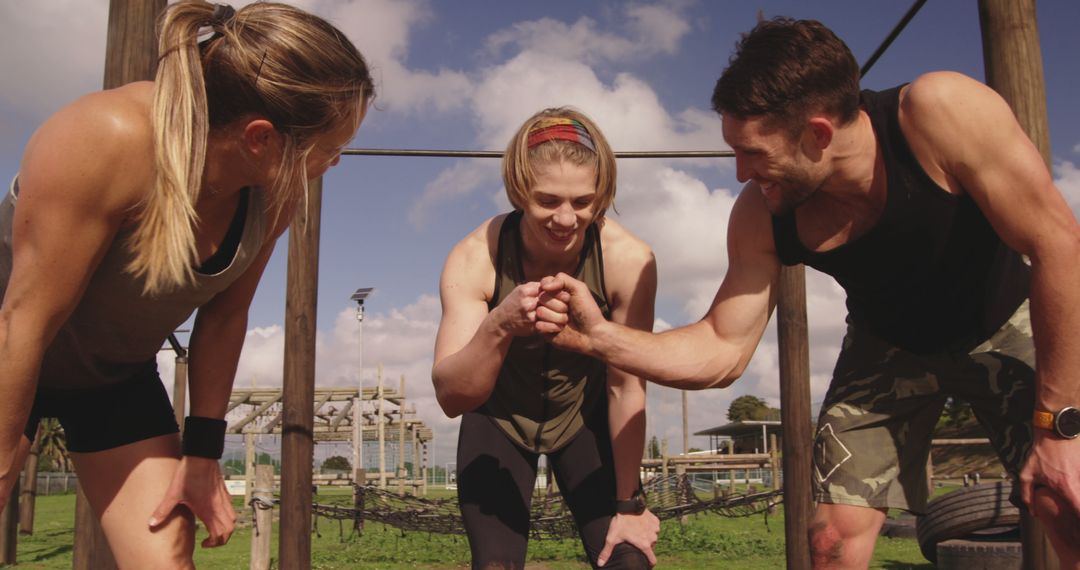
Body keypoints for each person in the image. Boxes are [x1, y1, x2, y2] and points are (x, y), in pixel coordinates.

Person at [538, 17, 1080, 569]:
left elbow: (1057, 245)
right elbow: (721, 348)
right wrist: (601, 338)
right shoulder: (761, 214)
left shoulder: (939, 114)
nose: (740, 172)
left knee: (1069, 502)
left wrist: (1059, 425)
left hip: (1005, 320)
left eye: (752, 152)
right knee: (831, 541)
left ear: (818, 134)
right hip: (886, 344)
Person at [0, 1, 374, 567]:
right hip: (11, 351)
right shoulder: (107, 137)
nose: (337, 163)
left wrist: (201, 457)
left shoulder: (279, 194)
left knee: (166, 555)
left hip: (113, 377)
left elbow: (225, 319)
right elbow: (23, 320)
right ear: (260, 139)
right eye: (330, 149)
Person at [432, 107, 660, 569]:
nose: (565, 218)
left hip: (585, 416)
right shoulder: (476, 255)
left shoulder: (628, 259)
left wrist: (630, 505)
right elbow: (453, 395)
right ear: (519, 193)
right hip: (498, 417)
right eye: (547, 200)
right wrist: (500, 324)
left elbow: (625, 384)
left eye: (582, 202)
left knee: (628, 559)